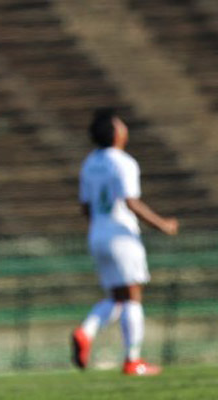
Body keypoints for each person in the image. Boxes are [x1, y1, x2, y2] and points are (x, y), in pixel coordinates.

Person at [71, 108, 179, 376]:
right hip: (121, 235)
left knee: (117, 298)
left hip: (98, 233)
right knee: (132, 297)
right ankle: (133, 360)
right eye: (121, 126)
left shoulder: (89, 163)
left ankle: (86, 332)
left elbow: (85, 207)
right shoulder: (124, 162)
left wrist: (100, 226)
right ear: (116, 133)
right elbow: (131, 202)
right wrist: (162, 224)